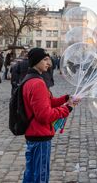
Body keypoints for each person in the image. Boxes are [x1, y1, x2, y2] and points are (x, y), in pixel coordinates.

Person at [22, 47, 76, 182]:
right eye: (45, 59)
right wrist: (67, 109)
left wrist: (65, 98)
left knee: (30, 173)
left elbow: (47, 102)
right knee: (40, 176)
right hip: (40, 136)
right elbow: (45, 115)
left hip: (33, 134)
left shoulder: (30, 79)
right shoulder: (38, 83)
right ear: (36, 61)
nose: (49, 63)